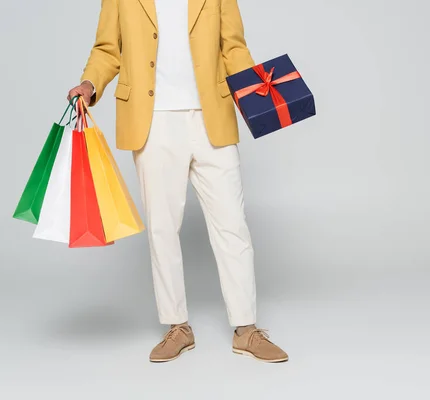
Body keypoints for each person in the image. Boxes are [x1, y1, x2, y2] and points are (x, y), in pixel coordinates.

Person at [67, 0, 288, 363]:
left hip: (212, 116)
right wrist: (90, 83)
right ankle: (177, 327)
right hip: (151, 122)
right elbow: (108, 48)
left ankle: (246, 329)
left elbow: (232, 45)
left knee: (232, 224)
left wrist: (261, 92)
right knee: (162, 228)